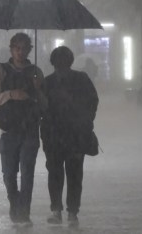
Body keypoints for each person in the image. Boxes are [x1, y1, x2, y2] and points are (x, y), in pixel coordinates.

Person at [0, 32, 46, 227]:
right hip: (9, 129)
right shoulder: (1, 70)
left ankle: (24, 211)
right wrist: (11, 95)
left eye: (24, 48)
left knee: (27, 172)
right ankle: (15, 203)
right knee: (9, 174)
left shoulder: (36, 71)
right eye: (17, 48)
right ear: (11, 49)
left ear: (30, 50)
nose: (20, 52)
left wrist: (37, 89)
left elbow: (45, 104)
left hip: (30, 128)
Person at [40, 46, 99, 227]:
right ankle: (69, 211)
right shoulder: (77, 80)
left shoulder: (49, 82)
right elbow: (92, 102)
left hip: (66, 135)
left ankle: (61, 210)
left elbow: (91, 102)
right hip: (61, 135)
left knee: (61, 173)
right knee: (69, 174)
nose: (61, 66)